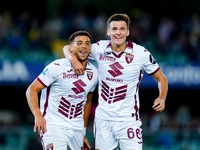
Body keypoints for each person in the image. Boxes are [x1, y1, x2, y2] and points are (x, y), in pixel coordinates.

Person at [63, 14, 168, 150]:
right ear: (108, 31)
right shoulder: (100, 48)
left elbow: (162, 78)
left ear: (127, 32)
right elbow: (68, 48)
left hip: (128, 120)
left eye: (122, 29)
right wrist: (74, 61)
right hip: (103, 121)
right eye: (114, 29)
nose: (118, 32)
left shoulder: (140, 53)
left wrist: (162, 97)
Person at [26, 31, 98, 150]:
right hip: (53, 126)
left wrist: (83, 132)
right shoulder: (57, 66)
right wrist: (37, 114)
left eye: (87, 43)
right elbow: (32, 89)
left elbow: (87, 101)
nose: (84, 46)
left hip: (77, 130)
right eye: (79, 43)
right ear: (71, 48)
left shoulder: (94, 72)